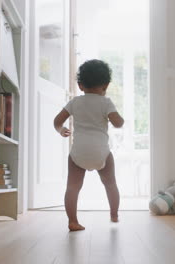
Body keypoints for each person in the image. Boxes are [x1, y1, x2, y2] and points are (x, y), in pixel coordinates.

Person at [53, 59, 124, 231]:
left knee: (72, 187)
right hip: (101, 153)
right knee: (110, 183)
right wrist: (115, 118)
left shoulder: (75, 102)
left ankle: (72, 221)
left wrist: (61, 130)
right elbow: (118, 123)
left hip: (79, 152)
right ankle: (114, 214)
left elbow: (57, 121)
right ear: (106, 85)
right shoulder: (106, 102)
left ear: (80, 85)